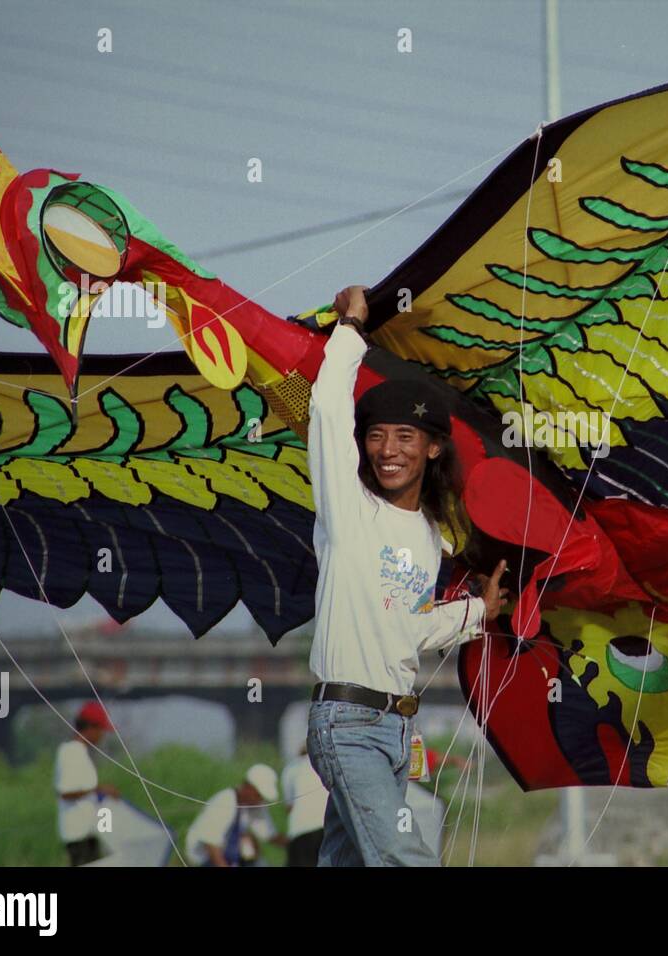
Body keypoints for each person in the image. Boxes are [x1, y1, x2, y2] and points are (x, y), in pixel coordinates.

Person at [305, 284, 507, 867]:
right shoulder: (348, 507)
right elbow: (324, 408)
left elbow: (408, 628)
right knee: (404, 858)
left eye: (404, 436)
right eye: (375, 436)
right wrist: (351, 327)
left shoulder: (428, 534)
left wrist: (478, 611)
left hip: (395, 733)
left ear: (434, 449)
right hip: (347, 723)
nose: (387, 450)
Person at [54, 701, 119, 866]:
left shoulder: (82, 753)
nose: (102, 736)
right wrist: (99, 790)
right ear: (90, 728)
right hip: (78, 835)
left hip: (91, 834)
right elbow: (65, 792)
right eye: (100, 730)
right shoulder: (70, 752)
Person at [185, 764, 288, 867]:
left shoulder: (253, 805)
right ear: (249, 787)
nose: (261, 800)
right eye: (258, 795)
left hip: (230, 856)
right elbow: (210, 844)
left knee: (259, 860)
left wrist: (296, 844)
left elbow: (269, 834)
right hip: (204, 858)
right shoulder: (225, 800)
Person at [281, 743, 327, 866]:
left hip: (301, 830)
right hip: (326, 826)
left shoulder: (292, 768)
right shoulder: (326, 763)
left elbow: (289, 807)